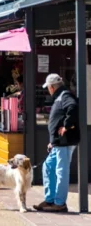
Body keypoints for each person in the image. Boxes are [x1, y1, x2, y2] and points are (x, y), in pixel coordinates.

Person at [34, 74, 80, 213]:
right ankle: (50, 199)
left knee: (61, 171)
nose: (48, 90)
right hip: (58, 142)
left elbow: (72, 107)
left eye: (48, 87)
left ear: (52, 87)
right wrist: (52, 141)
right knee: (48, 166)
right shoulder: (60, 97)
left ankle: (60, 203)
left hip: (64, 142)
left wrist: (66, 126)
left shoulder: (65, 96)